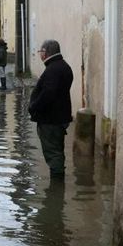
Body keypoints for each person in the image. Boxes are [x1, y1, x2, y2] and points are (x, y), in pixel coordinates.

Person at [28, 39, 73, 178]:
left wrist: (33, 107)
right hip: (59, 116)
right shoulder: (63, 66)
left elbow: (48, 94)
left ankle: (57, 185)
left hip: (51, 119)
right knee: (57, 150)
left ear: (45, 52)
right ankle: (58, 183)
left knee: (53, 153)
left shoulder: (53, 69)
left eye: (40, 51)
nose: (40, 54)